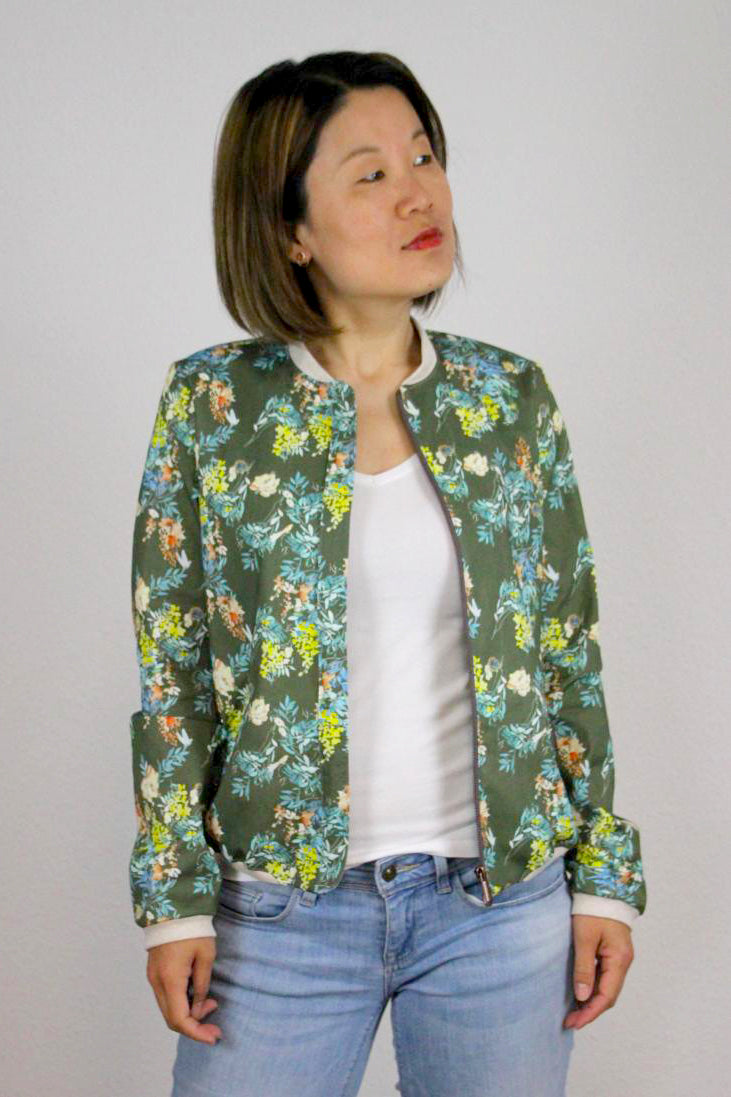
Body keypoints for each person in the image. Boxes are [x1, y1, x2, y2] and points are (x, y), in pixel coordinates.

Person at [128, 50, 647, 1097]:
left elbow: (564, 645)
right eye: (370, 173)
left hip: (499, 903)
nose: (418, 192)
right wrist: (174, 897)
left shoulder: (508, 399)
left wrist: (603, 877)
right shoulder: (212, 406)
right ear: (290, 229)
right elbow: (173, 669)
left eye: (423, 156)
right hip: (279, 911)